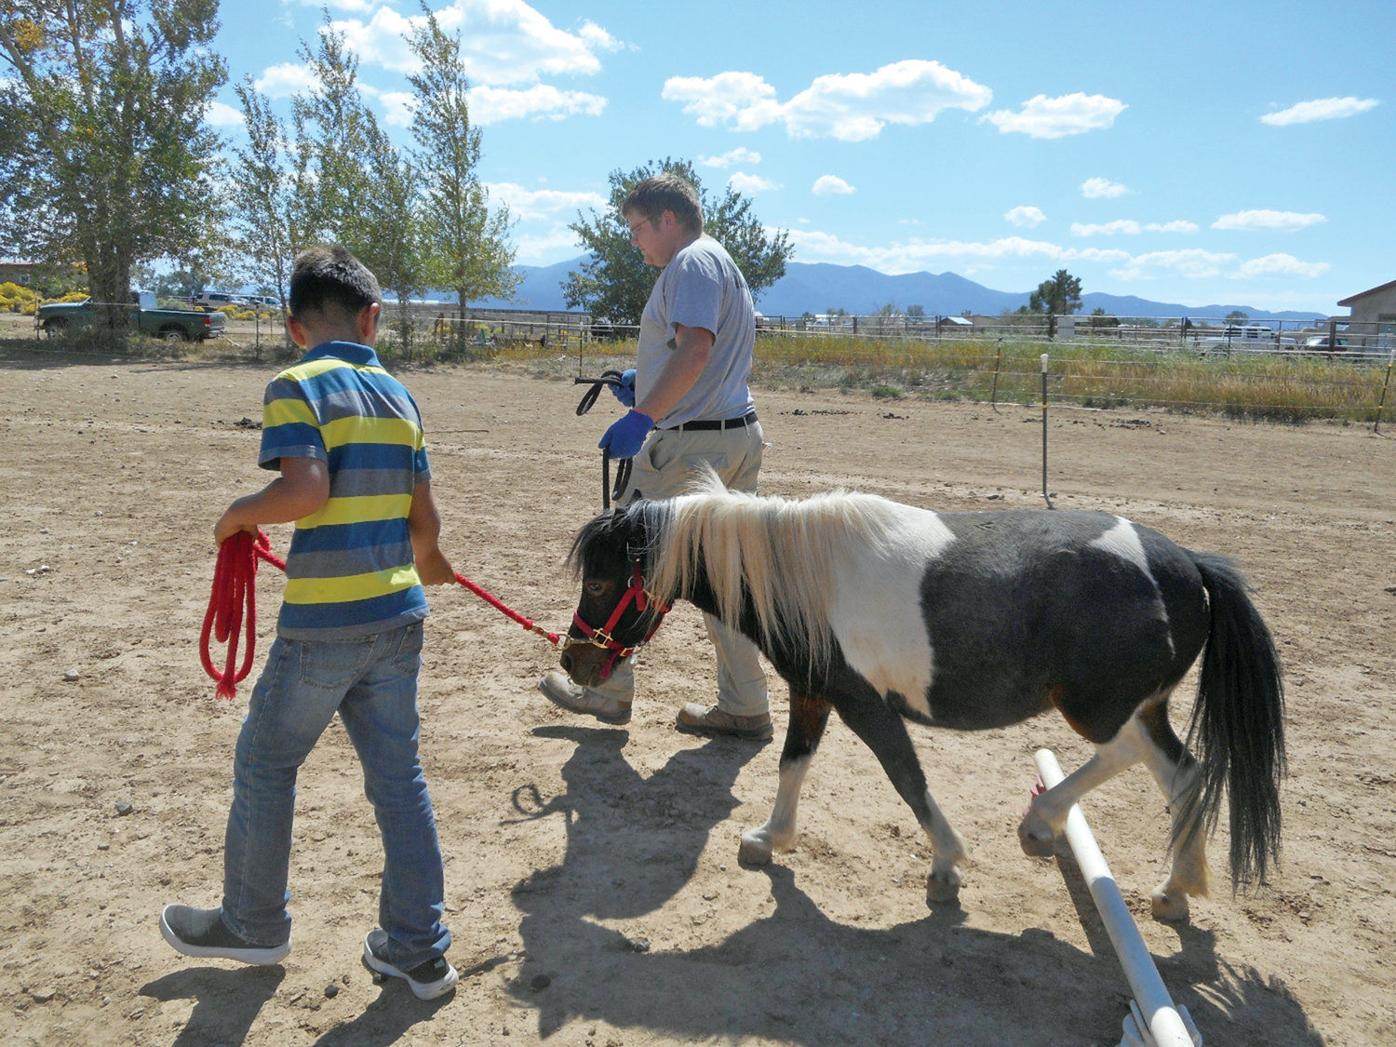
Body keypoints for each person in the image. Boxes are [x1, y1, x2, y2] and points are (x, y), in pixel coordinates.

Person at [159, 245, 460, 1001]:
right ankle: (419, 949)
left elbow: (305, 489)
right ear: (374, 318)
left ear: (296, 328)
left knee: (267, 764)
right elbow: (424, 520)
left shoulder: (295, 384)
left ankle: (254, 921)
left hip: (325, 625)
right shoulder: (400, 396)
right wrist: (431, 561)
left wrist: (235, 517)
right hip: (398, 620)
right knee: (400, 782)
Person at [539, 173, 772, 741]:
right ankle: (744, 704)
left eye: (637, 228)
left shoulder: (689, 264)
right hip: (733, 435)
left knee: (623, 562)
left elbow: (696, 349)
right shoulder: (720, 263)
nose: (635, 240)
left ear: (668, 219)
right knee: (725, 578)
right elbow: (704, 363)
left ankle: (605, 688)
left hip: (689, 447)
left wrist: (645, 416)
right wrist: (644, 384)